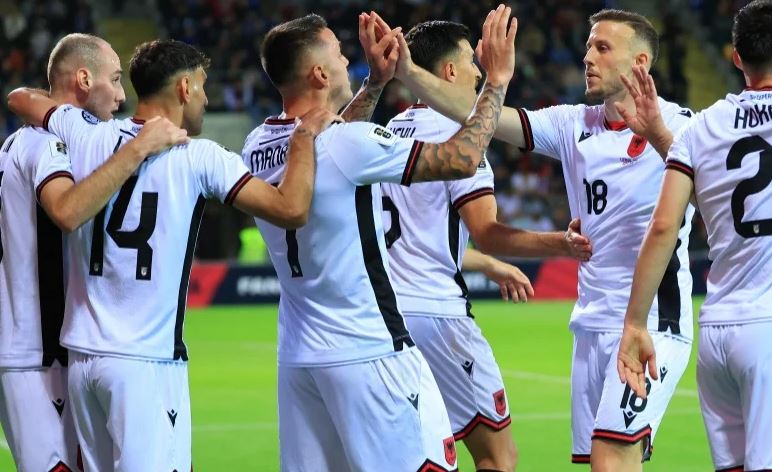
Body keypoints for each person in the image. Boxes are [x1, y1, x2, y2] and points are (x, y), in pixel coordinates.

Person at [382, 8, 696, 470]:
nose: (587, 57)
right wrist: (409, 71)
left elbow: (712, 197)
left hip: (653, 323)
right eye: (587, 46)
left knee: (611, 459)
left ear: (640, 63)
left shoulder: (683, 125)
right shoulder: (572, 123)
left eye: (602, 48)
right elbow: (480, 116)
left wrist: (659, 137)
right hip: (590, 325)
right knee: (605, 463)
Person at [7, 39, 336, 471]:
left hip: (83, 362)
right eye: (202, 86)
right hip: (146, 363)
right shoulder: (201, 157)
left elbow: (24, 99)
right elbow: (291, 210)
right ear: (184, 88)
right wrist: (304, 138)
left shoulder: (86, 133)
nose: (205, 98)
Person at [241, 5, 516, 471]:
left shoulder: (257, 145)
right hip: (369, 350)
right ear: (319, 74)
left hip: (300, 358)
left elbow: (332, 146)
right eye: (339, 53)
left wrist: (375, 83)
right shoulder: (349, 143)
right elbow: (464, 158)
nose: (348, 60)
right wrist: (497, 81)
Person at [377, 19, 592, 472]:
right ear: (450, 72)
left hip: (385, 317)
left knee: (416, 456)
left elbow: (412, 236)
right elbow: (489, 231)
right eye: (470, 62)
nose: (478, 72)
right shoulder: (459, 133)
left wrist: (488, 266)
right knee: (497, 456)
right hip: (439, 316)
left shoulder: (388, 131)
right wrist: (563, 243)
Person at [0, 33, 188, 472]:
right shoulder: (47, 145)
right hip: (39, 353)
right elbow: (67, 211)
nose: (122, 96)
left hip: (33, 348)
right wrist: (138, 148)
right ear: (84, 79)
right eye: (116, 79)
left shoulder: (15, 143)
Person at [617, 2, 772, 471]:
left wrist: (635, 325)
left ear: (736, 57)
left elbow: (664, 226)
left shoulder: (700, 127)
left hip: (717, 333)